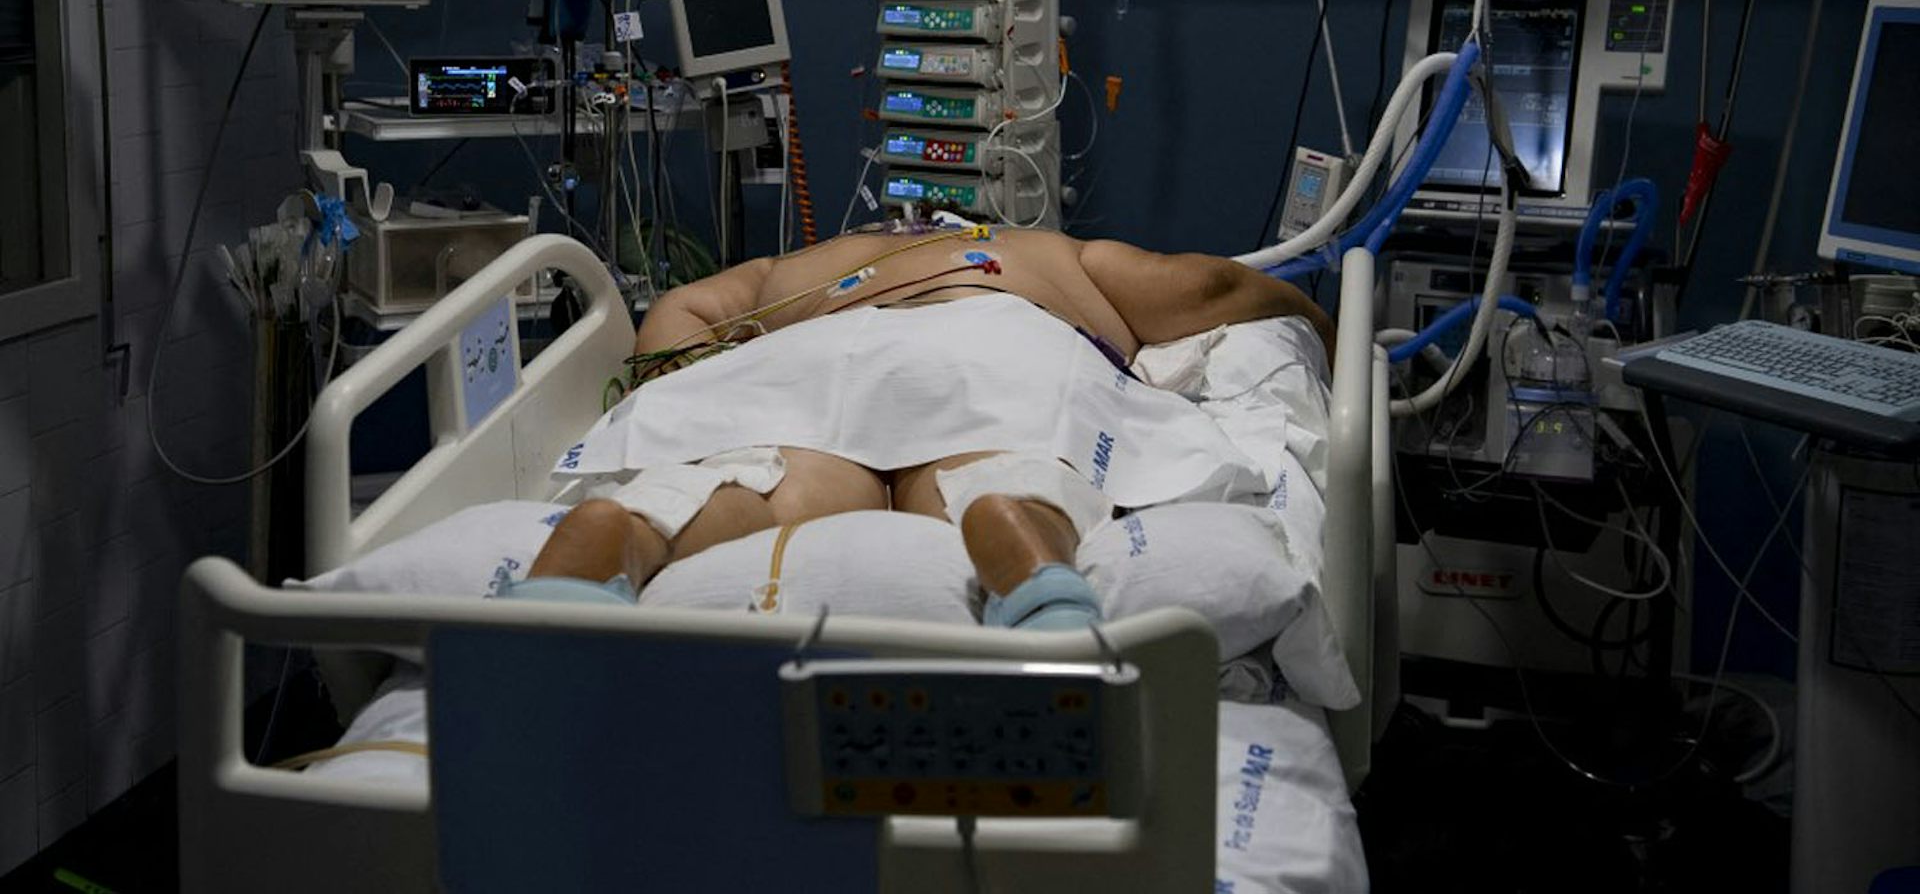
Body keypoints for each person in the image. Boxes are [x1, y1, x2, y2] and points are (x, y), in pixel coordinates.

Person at [511, 222, 1333, 630]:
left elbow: (681, 313)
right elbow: (1206, 290)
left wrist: (711, 390)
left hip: (815, 356)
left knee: (768, 484)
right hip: (985, 335)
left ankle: (630, 528)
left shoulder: (792, 269)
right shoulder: (1051, 252)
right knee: (992, 466)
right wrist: (1315, 325)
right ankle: (1018, 536)